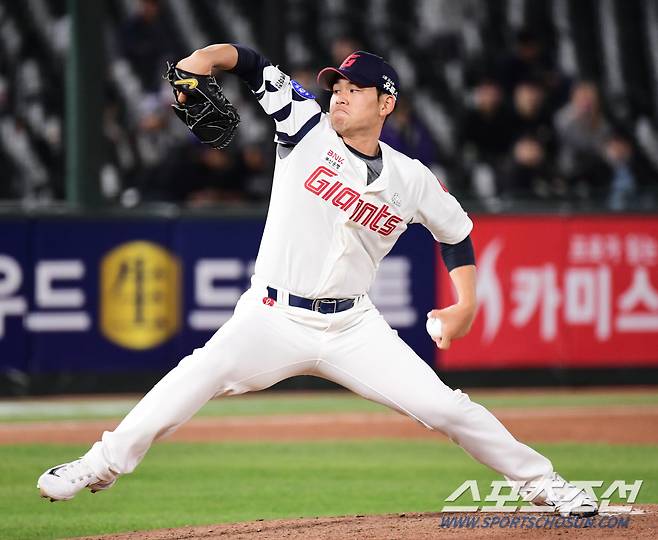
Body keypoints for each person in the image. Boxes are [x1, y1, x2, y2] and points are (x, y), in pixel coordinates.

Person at [37, 44, 597, 517]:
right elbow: (250, 64)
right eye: (336, 86)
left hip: (352, 325)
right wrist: (201, 59)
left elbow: (456, 235)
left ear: (386, 103)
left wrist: (465, 304)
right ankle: (100, 464)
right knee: (199, 371)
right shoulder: (303, 126)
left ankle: (545, 486)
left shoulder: (412, 178)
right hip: (272, 316)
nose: (340, 94)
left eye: (355, 88)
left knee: (449, 408)